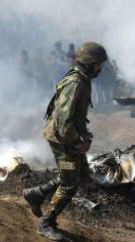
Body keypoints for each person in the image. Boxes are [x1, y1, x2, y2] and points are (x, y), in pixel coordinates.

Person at [23, 42, 107, 241]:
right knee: (70, 183)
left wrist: (83, 135)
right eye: (98, 64)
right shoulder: (76, 83)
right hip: (63, 139)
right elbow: (63, 120)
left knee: (81, 176)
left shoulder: (83, 78)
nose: (101, 69)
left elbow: (74, 116)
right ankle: (46, 223)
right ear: (89, 63)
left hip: (70, 137)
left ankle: (36, 194)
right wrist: (78, 142)